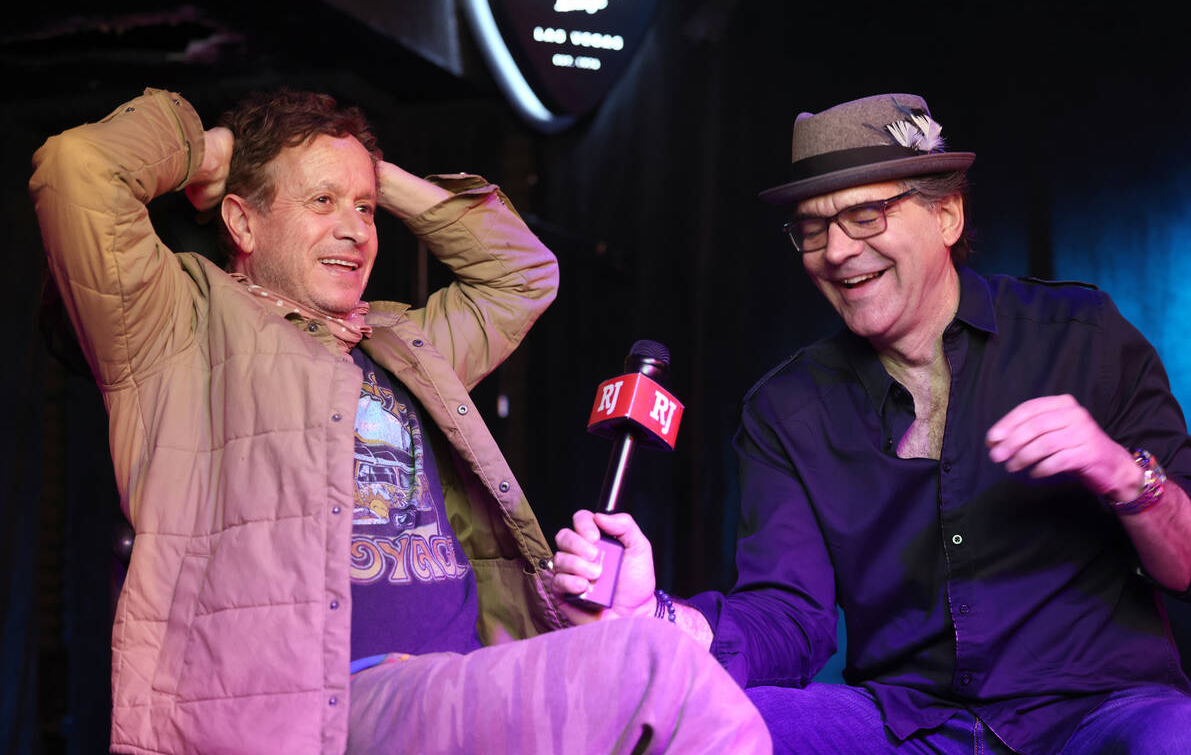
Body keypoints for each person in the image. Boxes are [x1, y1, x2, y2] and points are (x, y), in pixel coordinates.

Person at [30, 87, 769, 755]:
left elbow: (523, 275)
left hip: (456, 680)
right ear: (241, 221)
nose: (356, 230)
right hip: (322, 710)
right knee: (655, 666)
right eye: (322, 203)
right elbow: (77, 169)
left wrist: (371, 173)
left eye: (365, 209)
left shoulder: (399, 341)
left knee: (668, 673)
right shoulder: (179, 328)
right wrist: (206, 149)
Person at [552, 93, 1191, 754]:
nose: (835, 251)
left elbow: (1189, 566)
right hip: (907, 725)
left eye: (865, 215)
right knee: (707, 726)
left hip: (1100, 712)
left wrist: (1120, 472)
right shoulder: (786, 411)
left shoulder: (1082, 337)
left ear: (947, 213)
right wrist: (658, 619)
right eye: (812, 227)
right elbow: (788, 620)